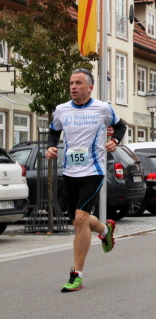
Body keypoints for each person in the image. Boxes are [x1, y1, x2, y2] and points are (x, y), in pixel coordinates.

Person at [45, 68, 126, 292]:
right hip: (70, 171)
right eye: (71, 83)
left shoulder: (102, 108)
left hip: (94, 171)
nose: (73, 87)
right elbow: (53, 131)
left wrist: (115, 141)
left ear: (90, 87)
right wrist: (51, 146)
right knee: (77, 219)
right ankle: (105, 231)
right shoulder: (62, 109)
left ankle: (76, 275)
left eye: (78, 83)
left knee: (80, 219)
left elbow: (121, 125)